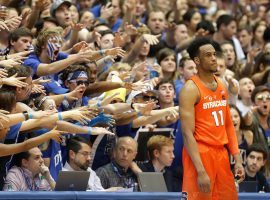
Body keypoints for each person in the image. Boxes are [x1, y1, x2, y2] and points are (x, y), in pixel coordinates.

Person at [179, 37, 244, 200]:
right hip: (199, 154)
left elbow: (228, 125)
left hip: (221, 154)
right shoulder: (190, 89)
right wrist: (200, 171)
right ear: (197, 60)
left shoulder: (222, 85)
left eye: (215, 54)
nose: (214, 58)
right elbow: (187, 134)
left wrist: (237, 158)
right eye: (208, 55)